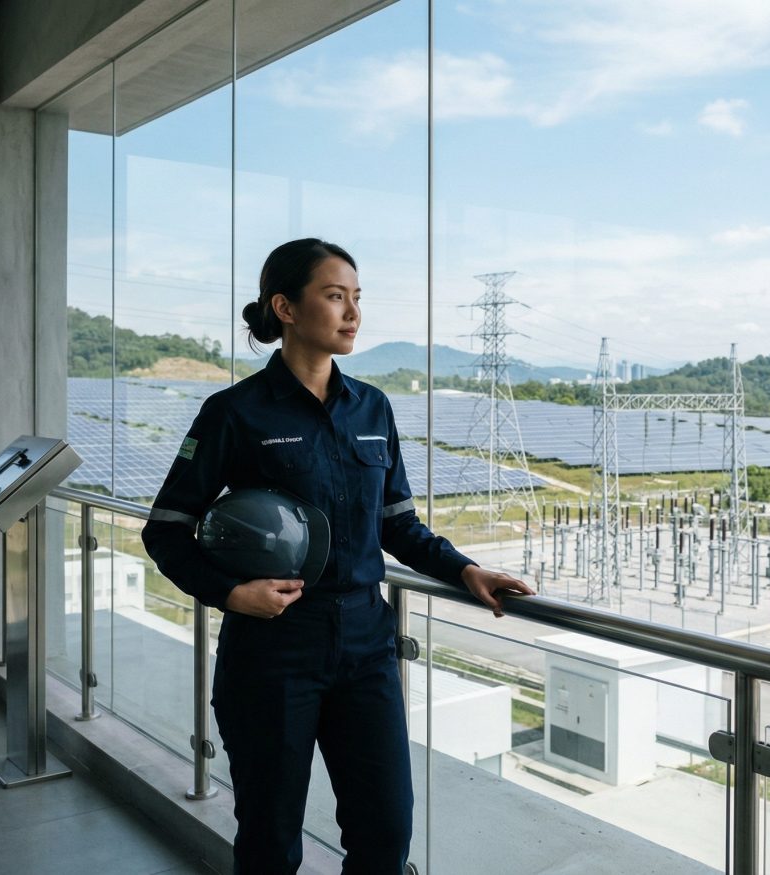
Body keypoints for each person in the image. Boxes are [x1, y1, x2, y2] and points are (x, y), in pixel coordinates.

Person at [141, 238, 534, 874]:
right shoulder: (233, 413)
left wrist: (464, 570)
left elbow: (398, 526)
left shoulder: (373, 408)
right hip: (273, 650)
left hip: (366, 645)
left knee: (385, 833)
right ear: (286, 308)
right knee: (270, 840)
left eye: (356, 298)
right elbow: (165, 529)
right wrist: (232, 593)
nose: (352, 312)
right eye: (334, 296)